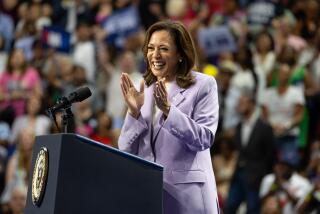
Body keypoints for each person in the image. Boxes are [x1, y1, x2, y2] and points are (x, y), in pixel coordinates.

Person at [118, 20, 220, 214]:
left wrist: (168, 111)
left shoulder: (203, 85)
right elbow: (125, 149)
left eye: (163, 49)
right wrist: (133, 113)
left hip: (189, 198)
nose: (155, 55)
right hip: (152, 197)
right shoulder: (144, 90)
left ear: (180, 54)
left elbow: (204, 138)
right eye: (150, 48)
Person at [225, 90, 276, 213]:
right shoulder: (238, 126)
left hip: (255, 176)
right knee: (230, 206)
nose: (239, 105)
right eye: (239, 102)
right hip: (238, 174)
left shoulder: (264, 127)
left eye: (243, 102)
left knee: (252, 209)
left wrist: (261, 174)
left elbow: (271, 154)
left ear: (252, 104)